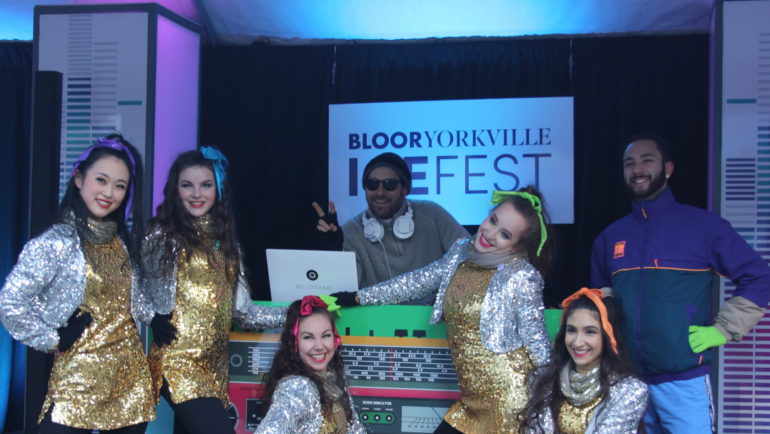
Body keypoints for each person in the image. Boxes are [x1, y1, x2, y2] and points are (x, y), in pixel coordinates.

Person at [332, 187, 554, 433]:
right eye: (493, 220)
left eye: (505, 235)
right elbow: (416, 282)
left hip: (509, 401)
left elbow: (538, 346)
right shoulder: (461, 252)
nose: (490, 234)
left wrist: (548, 410)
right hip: (471, 403)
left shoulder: (521, 276)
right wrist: (357, 296)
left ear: (515, 247)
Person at [590, 133, 770, 433]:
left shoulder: (703, 227)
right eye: (629, 163)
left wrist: (723, 329)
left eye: (647, 160)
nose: (637, 169)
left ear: (668, 168)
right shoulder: (609, 238)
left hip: (684, 383)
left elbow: (759, 276)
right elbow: (598, 307)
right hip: (626, 383)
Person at [0, 135, 155, 433]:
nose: (109, 192)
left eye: (120, 186)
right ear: (79, 178)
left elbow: (136, 303)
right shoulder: (56, 242)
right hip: (76, 386)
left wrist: (160, 317)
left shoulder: (122, 242)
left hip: (130, 386)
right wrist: (52, 339)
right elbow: (10, 303)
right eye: (101, 180)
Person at [136, 147, 288, 434]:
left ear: (218, 189)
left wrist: (297, 311)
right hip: (177, 361)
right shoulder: (163, 235)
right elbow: (133, 284)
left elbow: (244, 313)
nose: (197, 193)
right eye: (187, 185)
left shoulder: (228, 245)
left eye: (205, 185)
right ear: (175, 189)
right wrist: (151, 317)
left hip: (214, 367)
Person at [313, 152, 470, 296]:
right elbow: (343, 291)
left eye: (389, 184)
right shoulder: (351, 230)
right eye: (372, 184)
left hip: (431, 315)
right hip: (375, 316)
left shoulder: (432, 214)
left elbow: (470, 255)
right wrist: (333, 252)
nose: (380, 192)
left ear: (404, 190)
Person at [518, 288, 648, 433]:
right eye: (571, 330)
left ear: (608, 337)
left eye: (590, 332)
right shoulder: (545, 381)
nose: (578, 342)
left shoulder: (630, 390)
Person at [257, 295, 365, 433]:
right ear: (295, 343)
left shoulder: (332, 377)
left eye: (326, 335)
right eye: (308, 337)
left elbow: (355, 430)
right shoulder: (298, 387)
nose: (319, 346)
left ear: (335, 339)